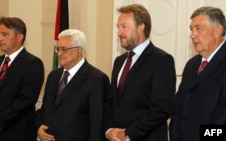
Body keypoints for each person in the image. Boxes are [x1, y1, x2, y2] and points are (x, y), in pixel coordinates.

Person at [105, 3, 176, 141]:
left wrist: (128, 134)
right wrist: (109, 130)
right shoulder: (119, 61)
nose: (119, 32)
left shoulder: (161, 60)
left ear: (141, 27)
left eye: (124, 27)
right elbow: (111, 101)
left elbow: (161, 108)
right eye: (118, 27)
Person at [35, 29, 110, 141]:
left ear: (79, 50)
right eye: (58, 49)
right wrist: (38, 127)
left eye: (64, 49)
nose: (59, 53)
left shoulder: (96, 79)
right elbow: (45, 110)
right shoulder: (53, 76)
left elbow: (96, 124)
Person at [0, 17, 45, 141]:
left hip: (19, 133)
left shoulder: (33, 63)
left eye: (5, 34)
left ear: (19, 37)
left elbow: (26, 100)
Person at [169, 6, 226, 141]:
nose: (192, 34)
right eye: (191, 29)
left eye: (198, 28)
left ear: (217, 30)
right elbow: (178, 108)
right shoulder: (191, 65)